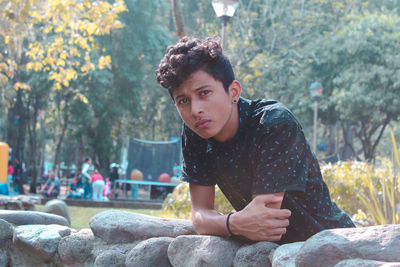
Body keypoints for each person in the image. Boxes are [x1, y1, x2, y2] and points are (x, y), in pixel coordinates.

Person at [155, 37, 355, 244]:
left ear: (233, 91)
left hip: (331, 245)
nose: (195, 110)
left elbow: (265, 222)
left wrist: (223, 223)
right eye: (183, 101)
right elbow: (199, 216)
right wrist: (233, 223)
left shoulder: (273, 123)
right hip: (270, 253)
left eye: (204, 93)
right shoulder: (195, 133)